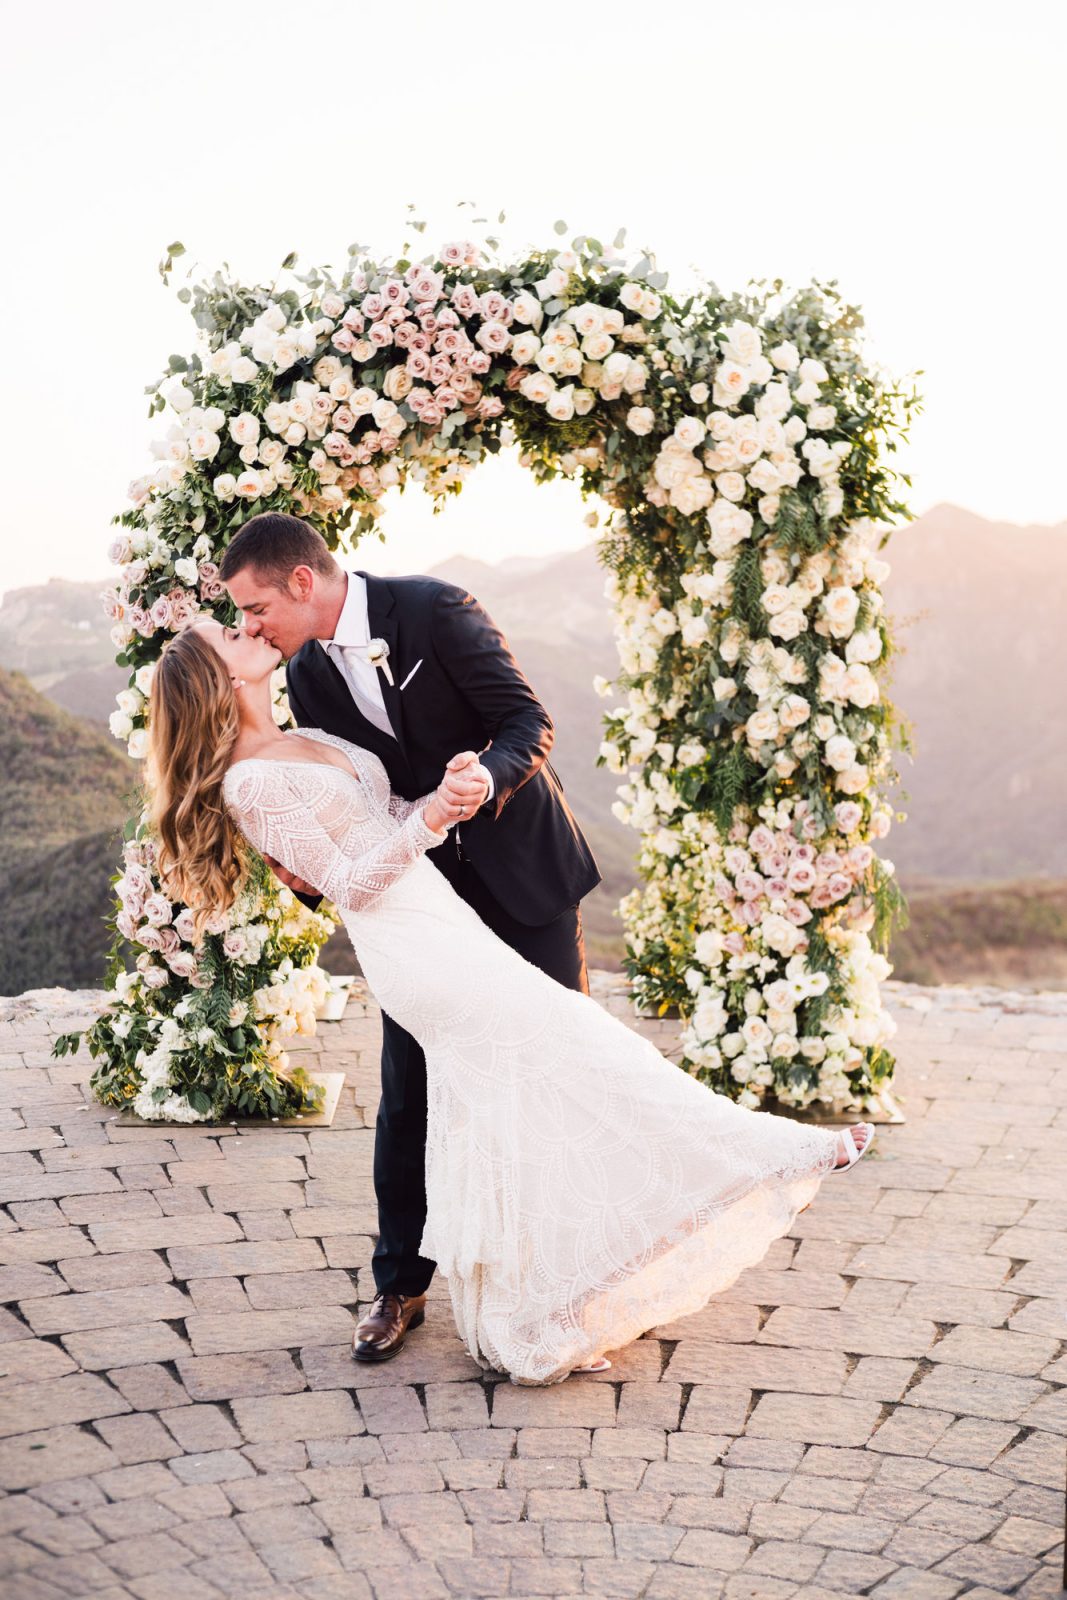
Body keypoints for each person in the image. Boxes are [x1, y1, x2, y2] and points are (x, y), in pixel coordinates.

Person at [146, 618, 875, 1387]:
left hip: (442, 921)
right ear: (219, 678)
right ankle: (771, 1152)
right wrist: (427, 821)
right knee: (583, 1048)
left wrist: (448, 792)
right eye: (227, 635)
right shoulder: (250, 780)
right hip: (411, 950)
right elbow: (350, 884)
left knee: (518, 1100)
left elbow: (380, 820)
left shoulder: (305, 733)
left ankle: (547, 1305)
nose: (246, 628)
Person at [218, 512, 602, 1364]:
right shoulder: (309, 674)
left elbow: (525, 722)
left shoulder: (434, 610)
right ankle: (401, 1284)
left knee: (557, 1067)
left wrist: (482, 779)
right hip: (421, 903)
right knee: (410, 1087)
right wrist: (308, 867)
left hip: (524, 875)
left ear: (302, 583)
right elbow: (351, 799)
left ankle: (568, 1273)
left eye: (254, 608)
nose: (250, 627)